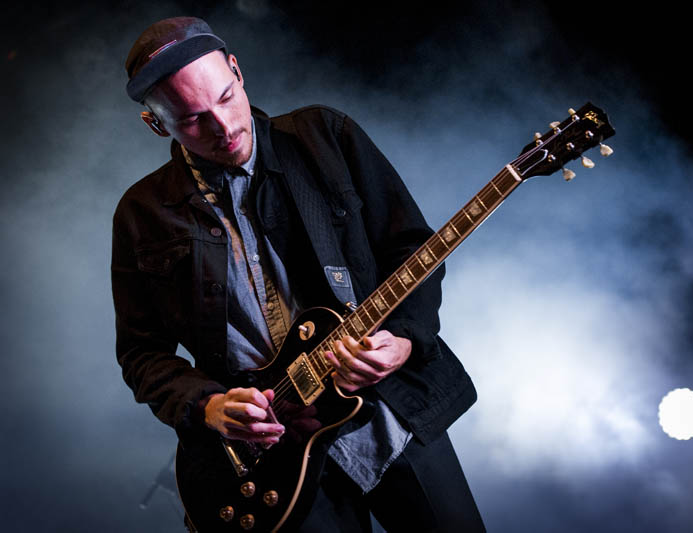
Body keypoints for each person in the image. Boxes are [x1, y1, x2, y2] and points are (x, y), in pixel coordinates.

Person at [113, 16, 484, 532]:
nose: (224, 127)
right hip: (267, 453)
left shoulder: (323, 136)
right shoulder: (142, 214)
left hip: (387, 412)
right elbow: (141, 354)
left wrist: (402, 341)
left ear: (237, 70)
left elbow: (411, 248)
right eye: (194, 120)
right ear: (157, 125)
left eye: (226, 97)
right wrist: (209, 406)